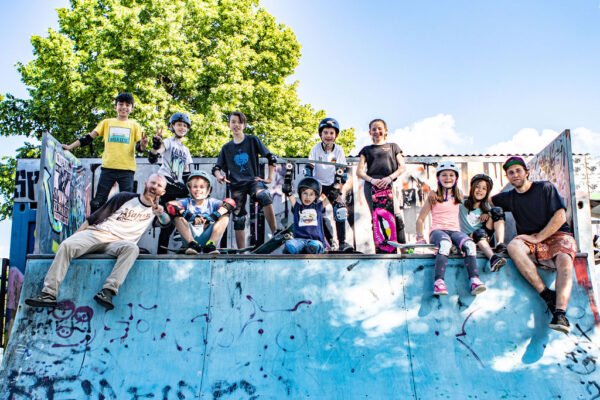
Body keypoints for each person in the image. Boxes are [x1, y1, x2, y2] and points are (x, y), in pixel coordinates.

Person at [25, 174, 169, 310]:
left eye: (159, 185)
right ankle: (49, 293)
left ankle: (108, 291)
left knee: (132, 249)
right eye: (153, 183)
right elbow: (94, 217)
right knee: (67, 245)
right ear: (146, 184)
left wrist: (160, 212)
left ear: (162, 192)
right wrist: (76, 236)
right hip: (98, 233)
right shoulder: (125, 197)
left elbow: (166, 222)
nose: (155, 187)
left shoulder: (157, 211)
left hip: (118, 244)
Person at [492, 156, 577, 333]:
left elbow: (560, 217)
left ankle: (560, 314)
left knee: (564, 260)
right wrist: (484, 213)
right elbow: (488, 200)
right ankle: (547, 295)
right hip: (531, 238)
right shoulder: (509, 197)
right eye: (511, 173)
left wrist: (539, 238)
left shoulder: (545, 187)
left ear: (526, 172)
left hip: (557, 234)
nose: (515, 174)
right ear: (508, 177)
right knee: (514, 246)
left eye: (518, 171)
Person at [62, 92, 148, 212]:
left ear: (132, 109)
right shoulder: (107, 122)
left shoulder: (134, 125)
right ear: (115, 107)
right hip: (108, 168)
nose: (124, 107)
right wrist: (69, 147)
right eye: (121, 104)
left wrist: (143, 145)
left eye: (127, 105)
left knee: (127, 202)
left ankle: (122, 228)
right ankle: (93, 225)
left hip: (127, 169)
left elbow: (140, 148)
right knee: (98, 201)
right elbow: (88, 138)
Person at [416, 161, 486, 296]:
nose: (448, 178)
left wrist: (485, 212)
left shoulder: (459, 196)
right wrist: (420, 237)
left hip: (455, 231)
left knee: (470, 245)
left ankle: (474, 280)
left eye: (451, 175)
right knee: (445, 244)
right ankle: (438, 282)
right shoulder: (433, 197)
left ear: (456, 178)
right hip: (437, 231)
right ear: (438, 178)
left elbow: (477, 200)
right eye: (444, 175)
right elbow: (420, 219)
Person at [212, 111, 279, 249]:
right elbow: (216, 168)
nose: (236, 125)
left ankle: (275, 232)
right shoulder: (226, 148)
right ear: (228, 125)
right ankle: (241, 252)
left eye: (239, 122)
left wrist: (269, 178)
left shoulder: (252, 140)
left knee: (264, 196)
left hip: (253, 181)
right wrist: (219, 175)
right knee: (239, 218)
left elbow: (271, 157)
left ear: (244, 125)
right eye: (233, 122)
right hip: (236, 185)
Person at [356, 119, 407, 248]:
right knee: (377, 218)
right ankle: (381, 248)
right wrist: (372, 180)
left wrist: (389, 178)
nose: (377, 131)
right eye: (373, 129)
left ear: (385, 130)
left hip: (388, 184)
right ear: (369, 132)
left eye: (379, 128)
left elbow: (402, 167)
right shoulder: (366, 150)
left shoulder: (393, 147)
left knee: (397, 217)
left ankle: (404, 249)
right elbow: (359, 172)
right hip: (371, 185)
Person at [148, 113, 194, 254]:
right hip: (165, 181)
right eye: (179, 125)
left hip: (176, 186)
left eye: (185, 126)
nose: (182, 128)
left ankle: (162, 251)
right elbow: (158, 152)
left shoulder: (185, 150)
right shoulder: (169, 142)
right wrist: (155, 149)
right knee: (169, 217)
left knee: (168, 222)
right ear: (172, 126)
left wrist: (191, 189)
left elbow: (186, 172)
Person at [307, 117, 353, 252]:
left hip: (333, 184)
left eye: (331, 133)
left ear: (336, 135)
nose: (328, 136)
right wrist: (310, 188)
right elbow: (309, 168)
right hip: (317, 184)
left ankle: (342, 243)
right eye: (325, 132)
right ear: (320, 134)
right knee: (317, 212)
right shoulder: (315, 149)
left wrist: (337, 189)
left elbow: (342, 172)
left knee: (340, 209)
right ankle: (328, 242)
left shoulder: (339, 150)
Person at [165, 170, 235, 255]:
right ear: (190, 189)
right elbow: (170, 205)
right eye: (195, 186)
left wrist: (213, 217)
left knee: (225, 216)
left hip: (209, 237)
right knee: (177, 218)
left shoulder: (212, 202)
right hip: (190, 238)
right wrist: (189, 216)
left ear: (208, 191)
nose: (198, 189)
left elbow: (230, 203)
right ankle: (192, 244)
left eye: (202, 187)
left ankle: (211, 244)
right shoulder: (187, 202)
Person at [460, 174, 508, 272]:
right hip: (467, 238)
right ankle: (493, 259)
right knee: (478, 232)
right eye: (477, 187)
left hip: (484, 237)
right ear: (472, 188)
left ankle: (500, 244)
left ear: (487, 192)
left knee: (497, 210)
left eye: (484, 188)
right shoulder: (462, 204)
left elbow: (495, 213)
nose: (480, 190)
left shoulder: (487, 207)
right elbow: (456, 194)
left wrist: (488, 213)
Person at [282, 176, 326, 254]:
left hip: (315, 241)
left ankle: (312, 249)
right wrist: (287, 183)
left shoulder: (318, 207)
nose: (307, 197)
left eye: (311, 194)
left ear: (316, 196)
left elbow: (332, 196)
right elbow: (289, 193)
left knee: (313, 246)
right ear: (300, 194)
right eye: (305, 193)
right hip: (299, 241)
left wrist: (337, 182)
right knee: (289, 245)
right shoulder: (297, 207)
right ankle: (298, 250)